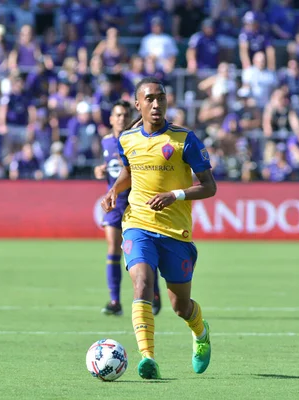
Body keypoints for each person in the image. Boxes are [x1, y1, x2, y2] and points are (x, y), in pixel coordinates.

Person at [101, 77, 217, 380]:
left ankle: (201, 332)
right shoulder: (126, 139)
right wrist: (114, 189)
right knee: (142, 282)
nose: (156, 104)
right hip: (137, 222)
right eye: (150, 99)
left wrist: (175, 195)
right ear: (138, 104)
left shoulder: (185, 139)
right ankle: (147, 357)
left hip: (176, 232)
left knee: (181, 306)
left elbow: (209, 186)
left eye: (161, 98)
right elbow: (129, 169)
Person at [94, 100, 162, 317]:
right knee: (113, 247)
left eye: (125, 115)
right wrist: (100, 171)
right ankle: (115, 301)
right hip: (115, 203)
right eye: (118, 115)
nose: (122, 118)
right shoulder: (106, 142)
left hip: (136, 200)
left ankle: (155, 293)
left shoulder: (137, 139)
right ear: (111, 119)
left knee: (145, 249)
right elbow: (107, 169)